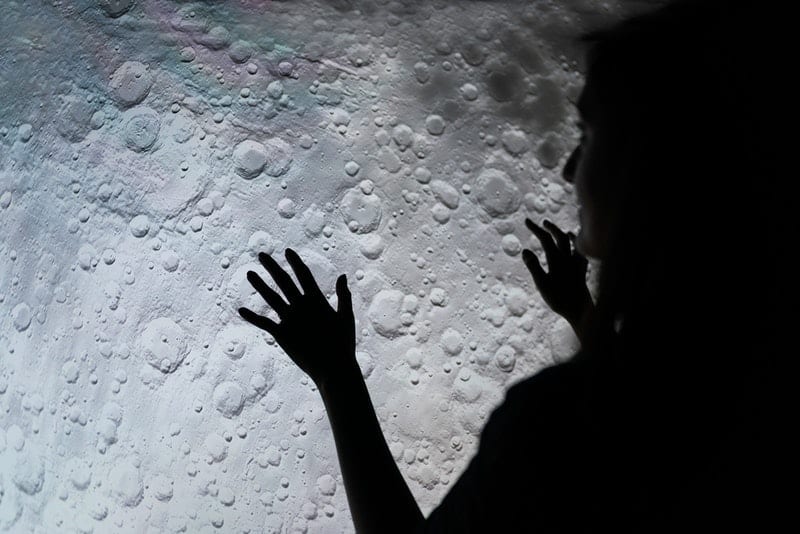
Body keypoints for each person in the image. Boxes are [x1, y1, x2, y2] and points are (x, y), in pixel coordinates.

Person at [238, 0, 795, 531]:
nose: (571, 169)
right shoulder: (747, 389)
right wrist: (584, 314)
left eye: (592, 132)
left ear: (654, 162)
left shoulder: (556, 428)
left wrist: (338, 376)